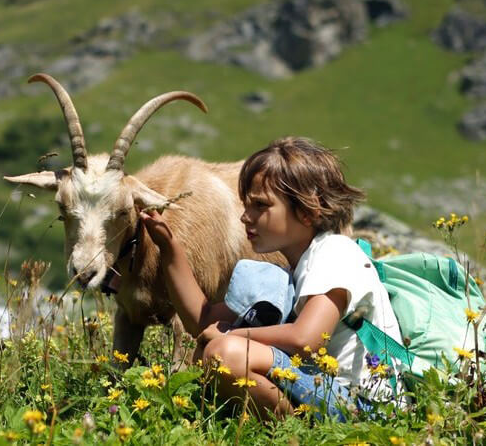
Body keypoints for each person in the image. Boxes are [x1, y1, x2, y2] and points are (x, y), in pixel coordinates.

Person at [138, 136, 404, 420]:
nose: (245, 217)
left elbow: (306, 339)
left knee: (226, 353)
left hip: (362, 406)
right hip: (326, 390)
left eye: (260, 206)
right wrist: (169, 247)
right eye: (247, 205)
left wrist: (230, 334)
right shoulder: (292, 271)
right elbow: (202, 322)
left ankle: (303, 434)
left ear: (307, 209)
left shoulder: (334, 252)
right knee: (217, 348)